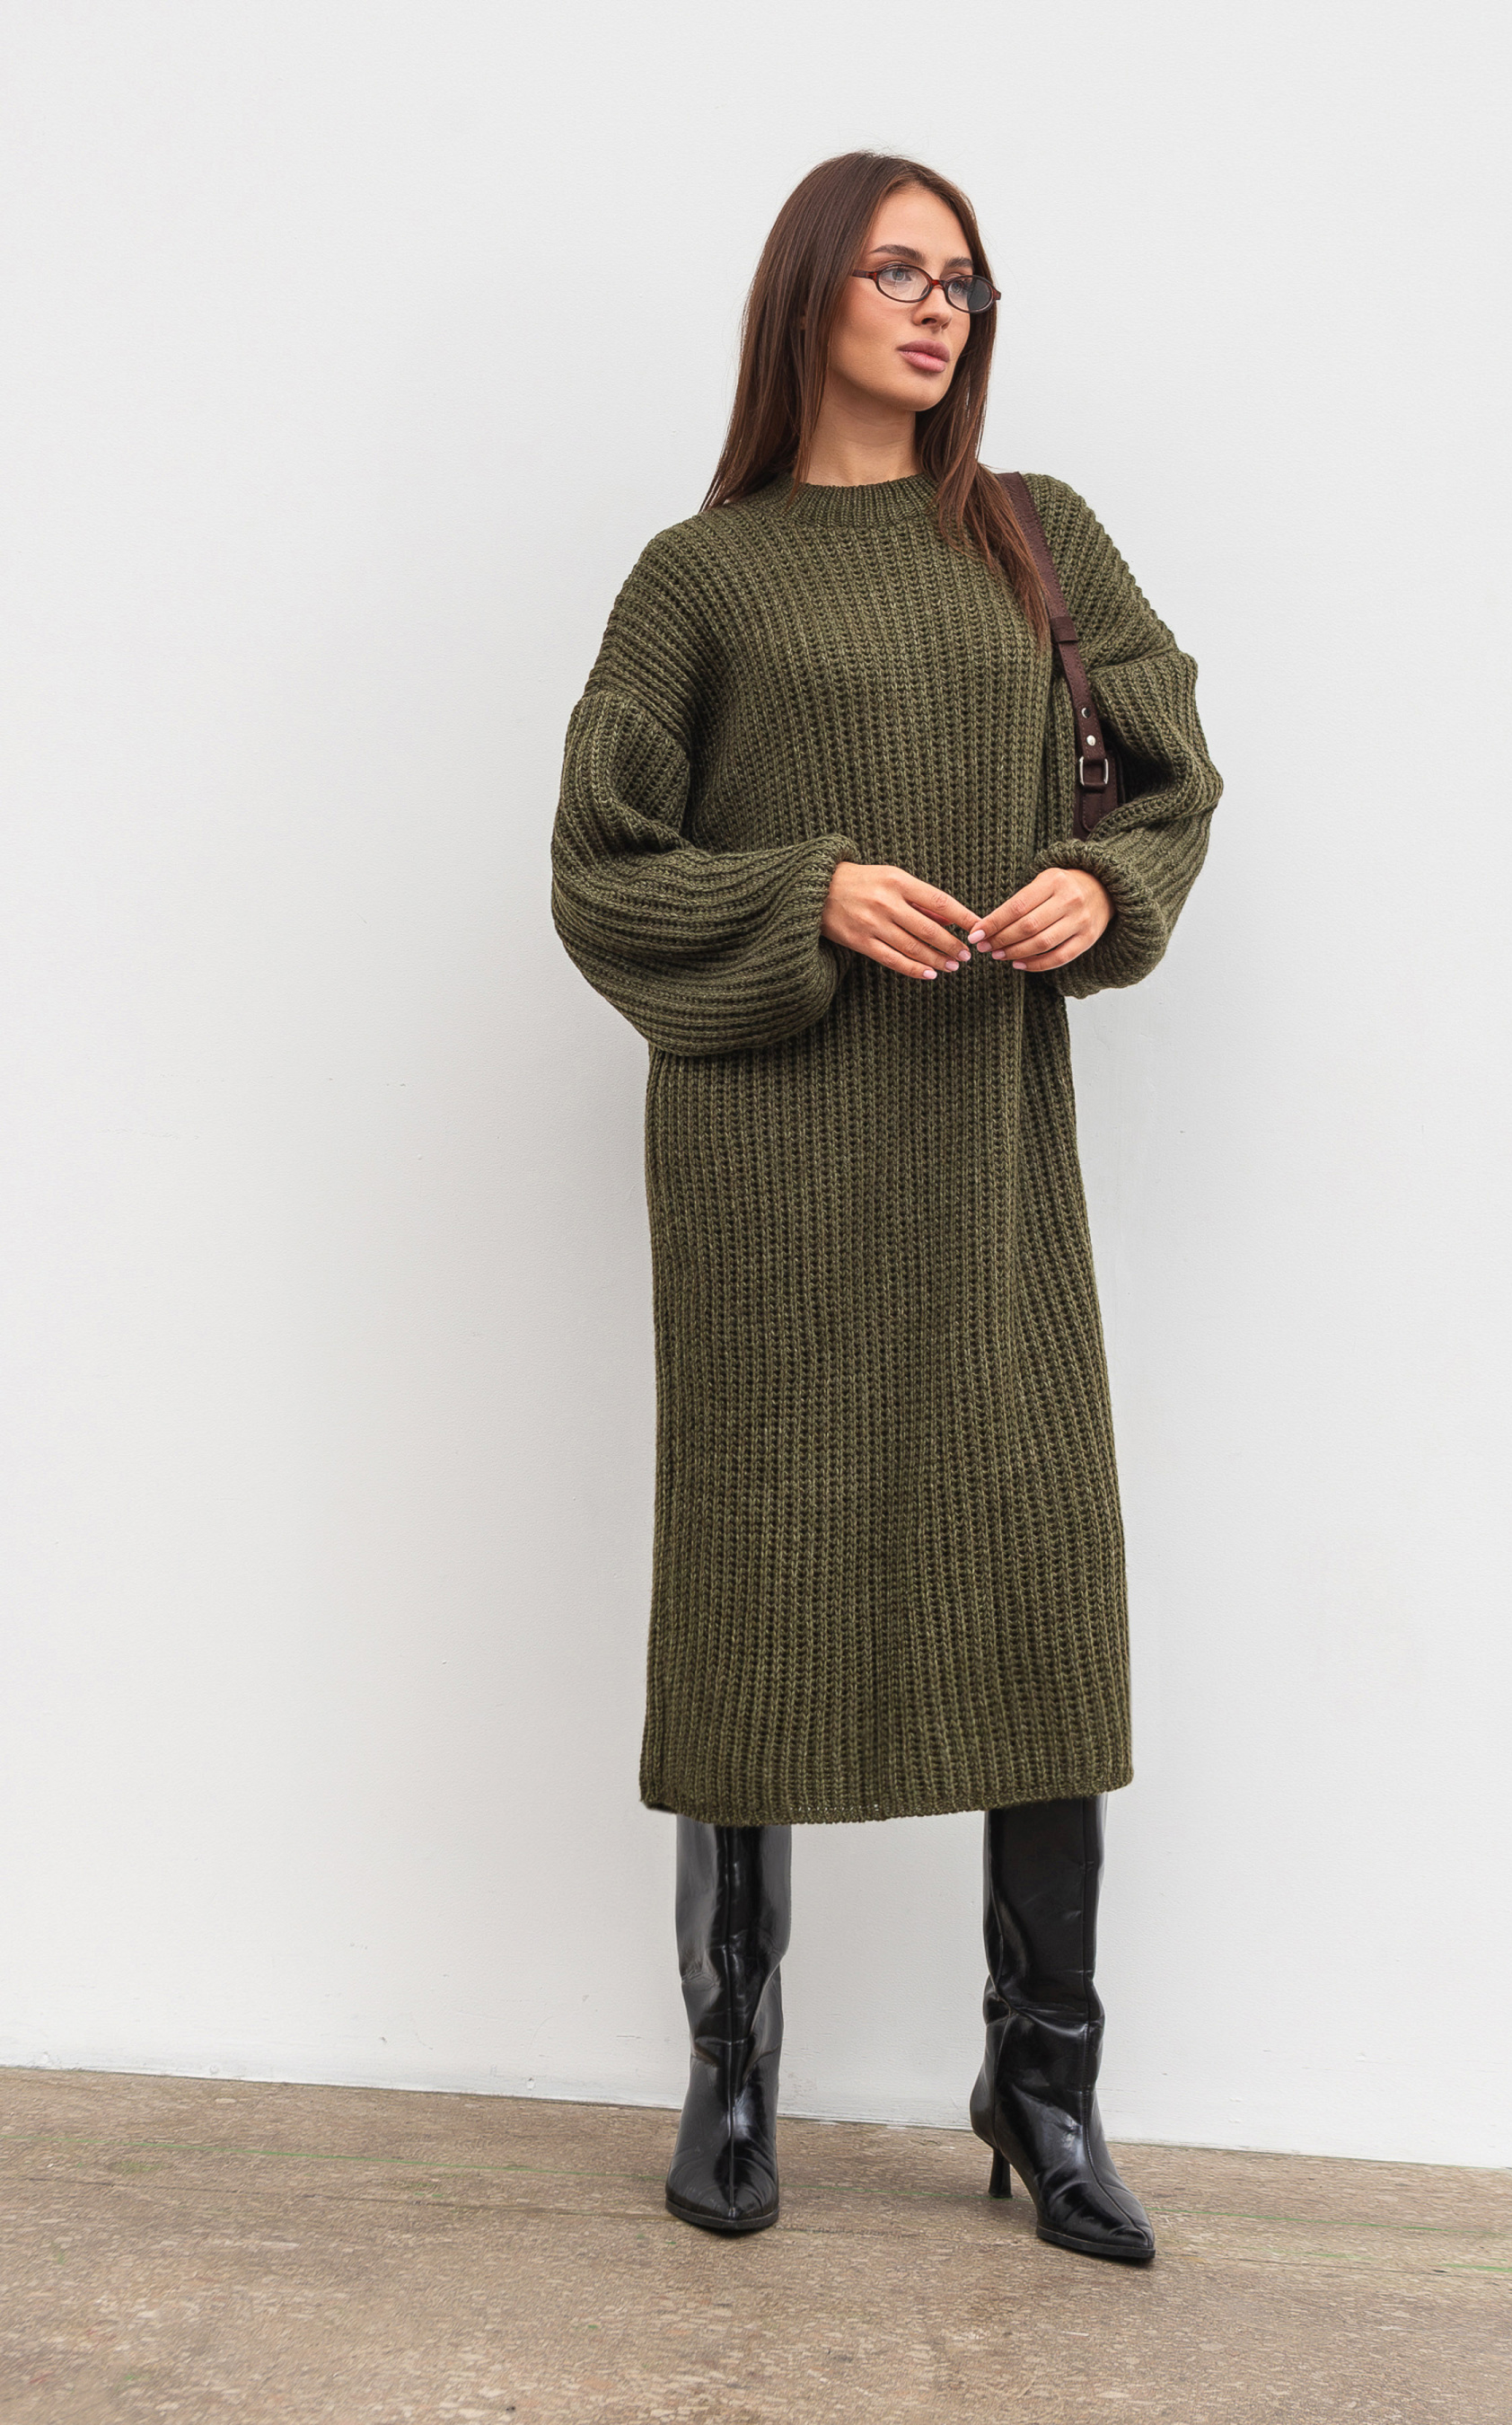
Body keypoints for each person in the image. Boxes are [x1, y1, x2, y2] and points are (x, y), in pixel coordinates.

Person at [551, 151, 1220, 2265]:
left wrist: (1099, 886)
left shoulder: (1036, 537)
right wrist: (806, 890)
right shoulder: (699, 578)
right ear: (807, 298)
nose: (939, 310)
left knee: (1035, 1586)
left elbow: (1171, 782)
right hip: (766, 1165)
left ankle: (1045, 2085)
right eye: (897, 273)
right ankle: (730, 2070)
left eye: (964, 282)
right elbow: (598, 869)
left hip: (980, 1145)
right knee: (751, 1593)